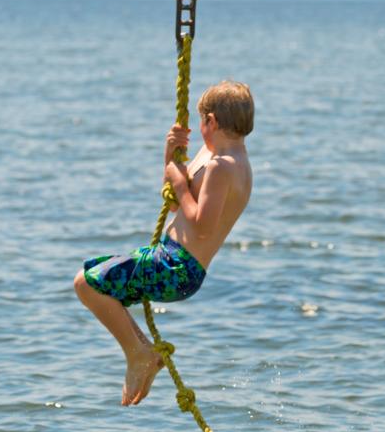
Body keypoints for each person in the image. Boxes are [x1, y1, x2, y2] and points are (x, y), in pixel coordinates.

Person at [73, 81, 254, 406]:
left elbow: (201, 226)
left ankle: (138, 353)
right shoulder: (217, 156)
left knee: (86, 284)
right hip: (169, 261)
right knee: (94, 282)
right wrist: (169, 156)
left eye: (202, 122)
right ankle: (142, 352)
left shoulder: (223, 167)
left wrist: (179, 181)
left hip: (176, 268)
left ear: (210, 121)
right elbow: (174, 202)